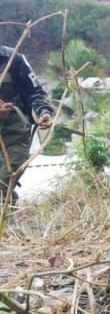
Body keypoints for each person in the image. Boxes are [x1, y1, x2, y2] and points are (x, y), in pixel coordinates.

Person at [0, 45, 54, 202]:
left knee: (5, 182)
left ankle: (8, 223)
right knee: (5, 190)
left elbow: (35, 91)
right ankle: (10, 223)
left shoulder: (12, 57)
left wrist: (44, 112)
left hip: (15, 134)